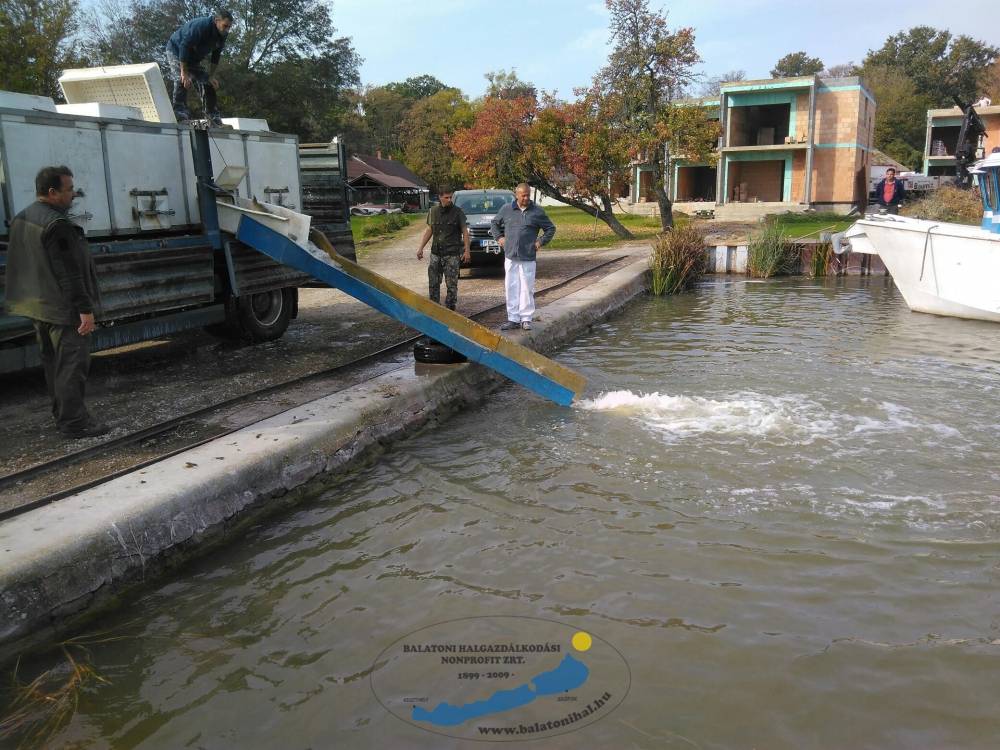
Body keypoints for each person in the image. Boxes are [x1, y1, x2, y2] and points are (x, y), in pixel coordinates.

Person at [4, 166, 109, 438]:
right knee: (72, 367)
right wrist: (85, 310)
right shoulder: (57, 225)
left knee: (54, 366)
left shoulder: (22, 218)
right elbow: (69, 273)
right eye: (69, 189)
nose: (73, 195)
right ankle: (74, 423)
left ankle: (64, 415)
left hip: (38, 307)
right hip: (63, 310)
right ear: (52, 192)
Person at [489, 183, 555, 331]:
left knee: (527, 287)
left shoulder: (537, 211)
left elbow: (550, 228)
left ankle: (526, 318)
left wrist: (540, 241)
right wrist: (499, 237)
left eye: (528, 195)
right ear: (516, 195)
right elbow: (494, 223)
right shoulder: (507, 209)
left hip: (528, 255)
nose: (526, 198)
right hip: (511, 255)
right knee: (511, 286)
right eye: (523, 195)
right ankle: (513, 318)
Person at [165, 10, 233, 124]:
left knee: (207, 82)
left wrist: (211, 76)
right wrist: (184, 72)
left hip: (193, 58)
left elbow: (215, 57)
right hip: (177, 50)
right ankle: (179, 112)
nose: (227, 30)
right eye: (225, 26)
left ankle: (212, 115)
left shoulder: (223, 35)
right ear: (217, 21)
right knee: (182, 80)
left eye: (229, 27)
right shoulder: (201, 26)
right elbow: (184, 46)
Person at [416, 188, 471, 310]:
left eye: (450, 197)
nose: (449, 200)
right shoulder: (433, 211)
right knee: (433, 283)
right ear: (440, 197)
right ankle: (434, 309)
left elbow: (465, 232)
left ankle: (451, 308)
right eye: (446, 197)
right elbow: (430, 230)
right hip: (436, 253)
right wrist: (420, 248)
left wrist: (467, 251)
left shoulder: (458, 212)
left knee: (452, 284)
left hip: (452, 254)